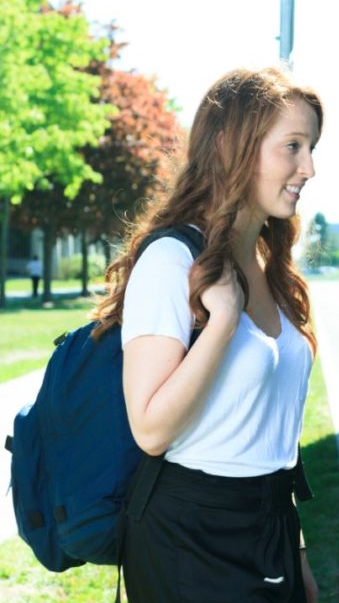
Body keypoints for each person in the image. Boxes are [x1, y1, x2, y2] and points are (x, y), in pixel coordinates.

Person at [92, 67, 322, 602]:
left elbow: (273, 438)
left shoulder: (271, 265)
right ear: (230, 146)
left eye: (310, 147)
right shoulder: (173, 261)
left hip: (271, 529)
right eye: (292, 146)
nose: (308, 167)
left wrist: (299, 555)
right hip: (190, 540)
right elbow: (149, 429)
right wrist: (221, 324)